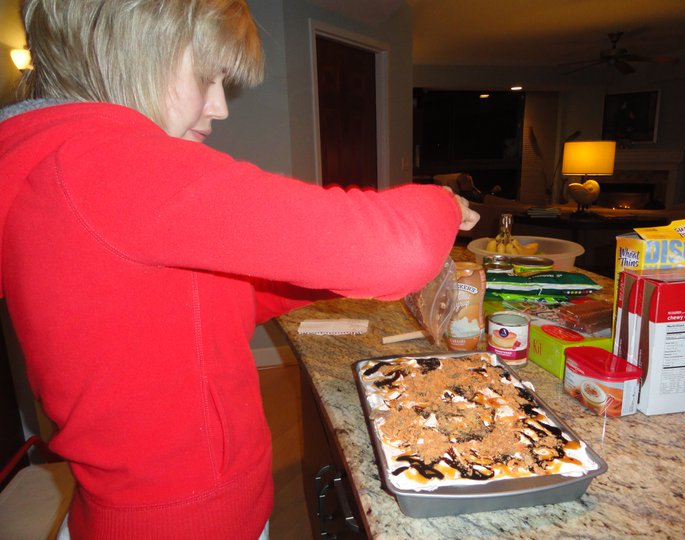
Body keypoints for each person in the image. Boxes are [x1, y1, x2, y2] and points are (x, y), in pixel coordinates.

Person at [0, 1, 479, 538]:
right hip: (184, 523)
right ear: (128, 50)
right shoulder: (107, 163)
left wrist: (318, 278)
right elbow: (397, 250)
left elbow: (199, 305)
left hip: (141, 511)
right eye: (208, 76)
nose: (220, 107)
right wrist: (441, 202)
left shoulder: (62, 173)